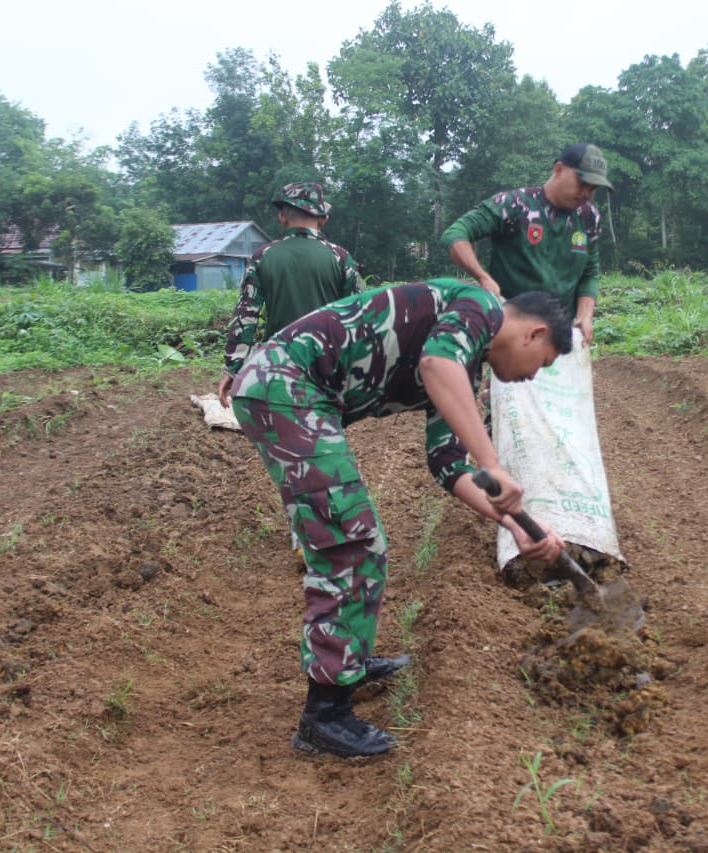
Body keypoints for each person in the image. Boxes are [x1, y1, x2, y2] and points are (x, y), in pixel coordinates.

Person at [229, 279, 572, 758]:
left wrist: (514, 526)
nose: (533, 376)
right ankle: (323, 716)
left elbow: (448, 463)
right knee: (351, 545)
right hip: (284, 387)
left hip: (297, 391)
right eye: (545, 363)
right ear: (534, 334)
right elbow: (436, 363)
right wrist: (493, 463)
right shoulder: (480, 308)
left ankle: (349, 661)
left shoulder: (465, 363)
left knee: (359, 541)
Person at [440, 143, 612, 346]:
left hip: (558, 336)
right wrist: (483, 277)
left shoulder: (588, 216)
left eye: (593, 189)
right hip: (510, 332)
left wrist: (585, 315)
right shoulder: (515, 205)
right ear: (559, 169)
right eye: (582, 183)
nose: (586, 193)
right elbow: (455, 234)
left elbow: (589, 271)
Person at [217, 181, 363, 407]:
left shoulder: (263, 256)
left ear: (282, 217)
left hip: (278, 365)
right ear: (323, 219)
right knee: (321, 432)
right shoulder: (341, 258)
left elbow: (245, 317)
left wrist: (233, 367)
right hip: (327, 368)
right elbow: (357, 318)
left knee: (281, 431)